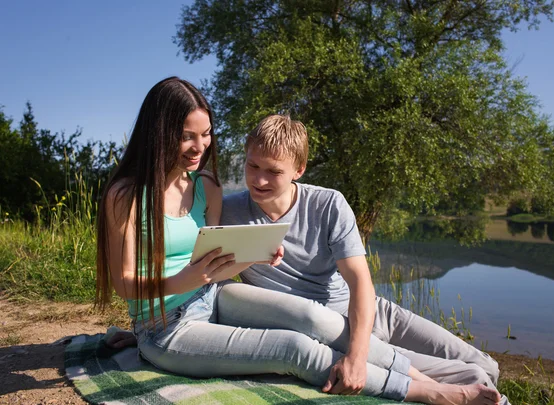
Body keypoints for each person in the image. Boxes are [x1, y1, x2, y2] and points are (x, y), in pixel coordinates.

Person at [97, 77, 502, 404]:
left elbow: (217, 264)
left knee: (313, 319)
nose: (200, 147)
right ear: (160, 133)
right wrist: (164, 308)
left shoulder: (208, 188)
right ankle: (430, 391)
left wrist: (249, 257)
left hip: (220, 301)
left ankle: (437, 375)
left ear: (298, 170)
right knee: (293, 347)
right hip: (168, 326)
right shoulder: (126, 197)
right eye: (188, 136)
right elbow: (127, 284)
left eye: (206, 135)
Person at [220, 115, 509, 401]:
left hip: (374, 313)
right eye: (252, 165)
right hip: (330, 332)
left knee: (487, 365)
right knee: (472, 378)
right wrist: (355, 352)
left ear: (299, 169)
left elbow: (360, 282)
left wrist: (356, 359)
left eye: (273, 171)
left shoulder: (328, 204)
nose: (258, 179)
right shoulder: (227, 212)